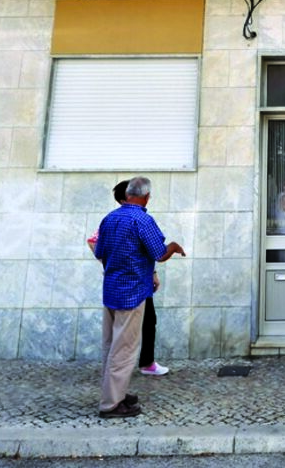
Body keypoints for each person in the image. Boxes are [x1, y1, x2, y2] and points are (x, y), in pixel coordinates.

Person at [92, 176, 186, 417]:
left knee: (110, 346)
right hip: (132, 293)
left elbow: (99, 251)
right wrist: (174, 246)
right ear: (146, 197)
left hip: (111, 289)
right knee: (124, 349)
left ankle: (116, 393)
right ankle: (111, 404)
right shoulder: (143, 220)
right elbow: (159, 253)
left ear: (127, 194)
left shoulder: (109, 218)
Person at [112, 180, 169, 376]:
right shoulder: (137, 220)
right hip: (133, 285)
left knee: (145, 322)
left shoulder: (112, 219)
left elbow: (98, 247)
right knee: (133, 327)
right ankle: (125, 370)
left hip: (126, 283)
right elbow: (157, 252)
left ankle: (141, 363)